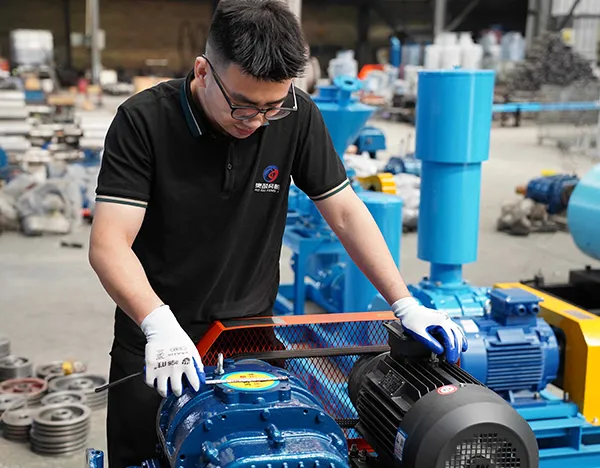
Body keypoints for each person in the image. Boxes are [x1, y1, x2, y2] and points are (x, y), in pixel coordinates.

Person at [88, 0, 467, 466]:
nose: (258, 122)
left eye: (273, 108)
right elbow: (109, 244)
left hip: (250, 337)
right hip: (157, 343)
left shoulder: (298, 115)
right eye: (244, 107)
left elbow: (345, 212)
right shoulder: (143, 120)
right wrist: (158, 325)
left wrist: (404, 302)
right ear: (203, 72)